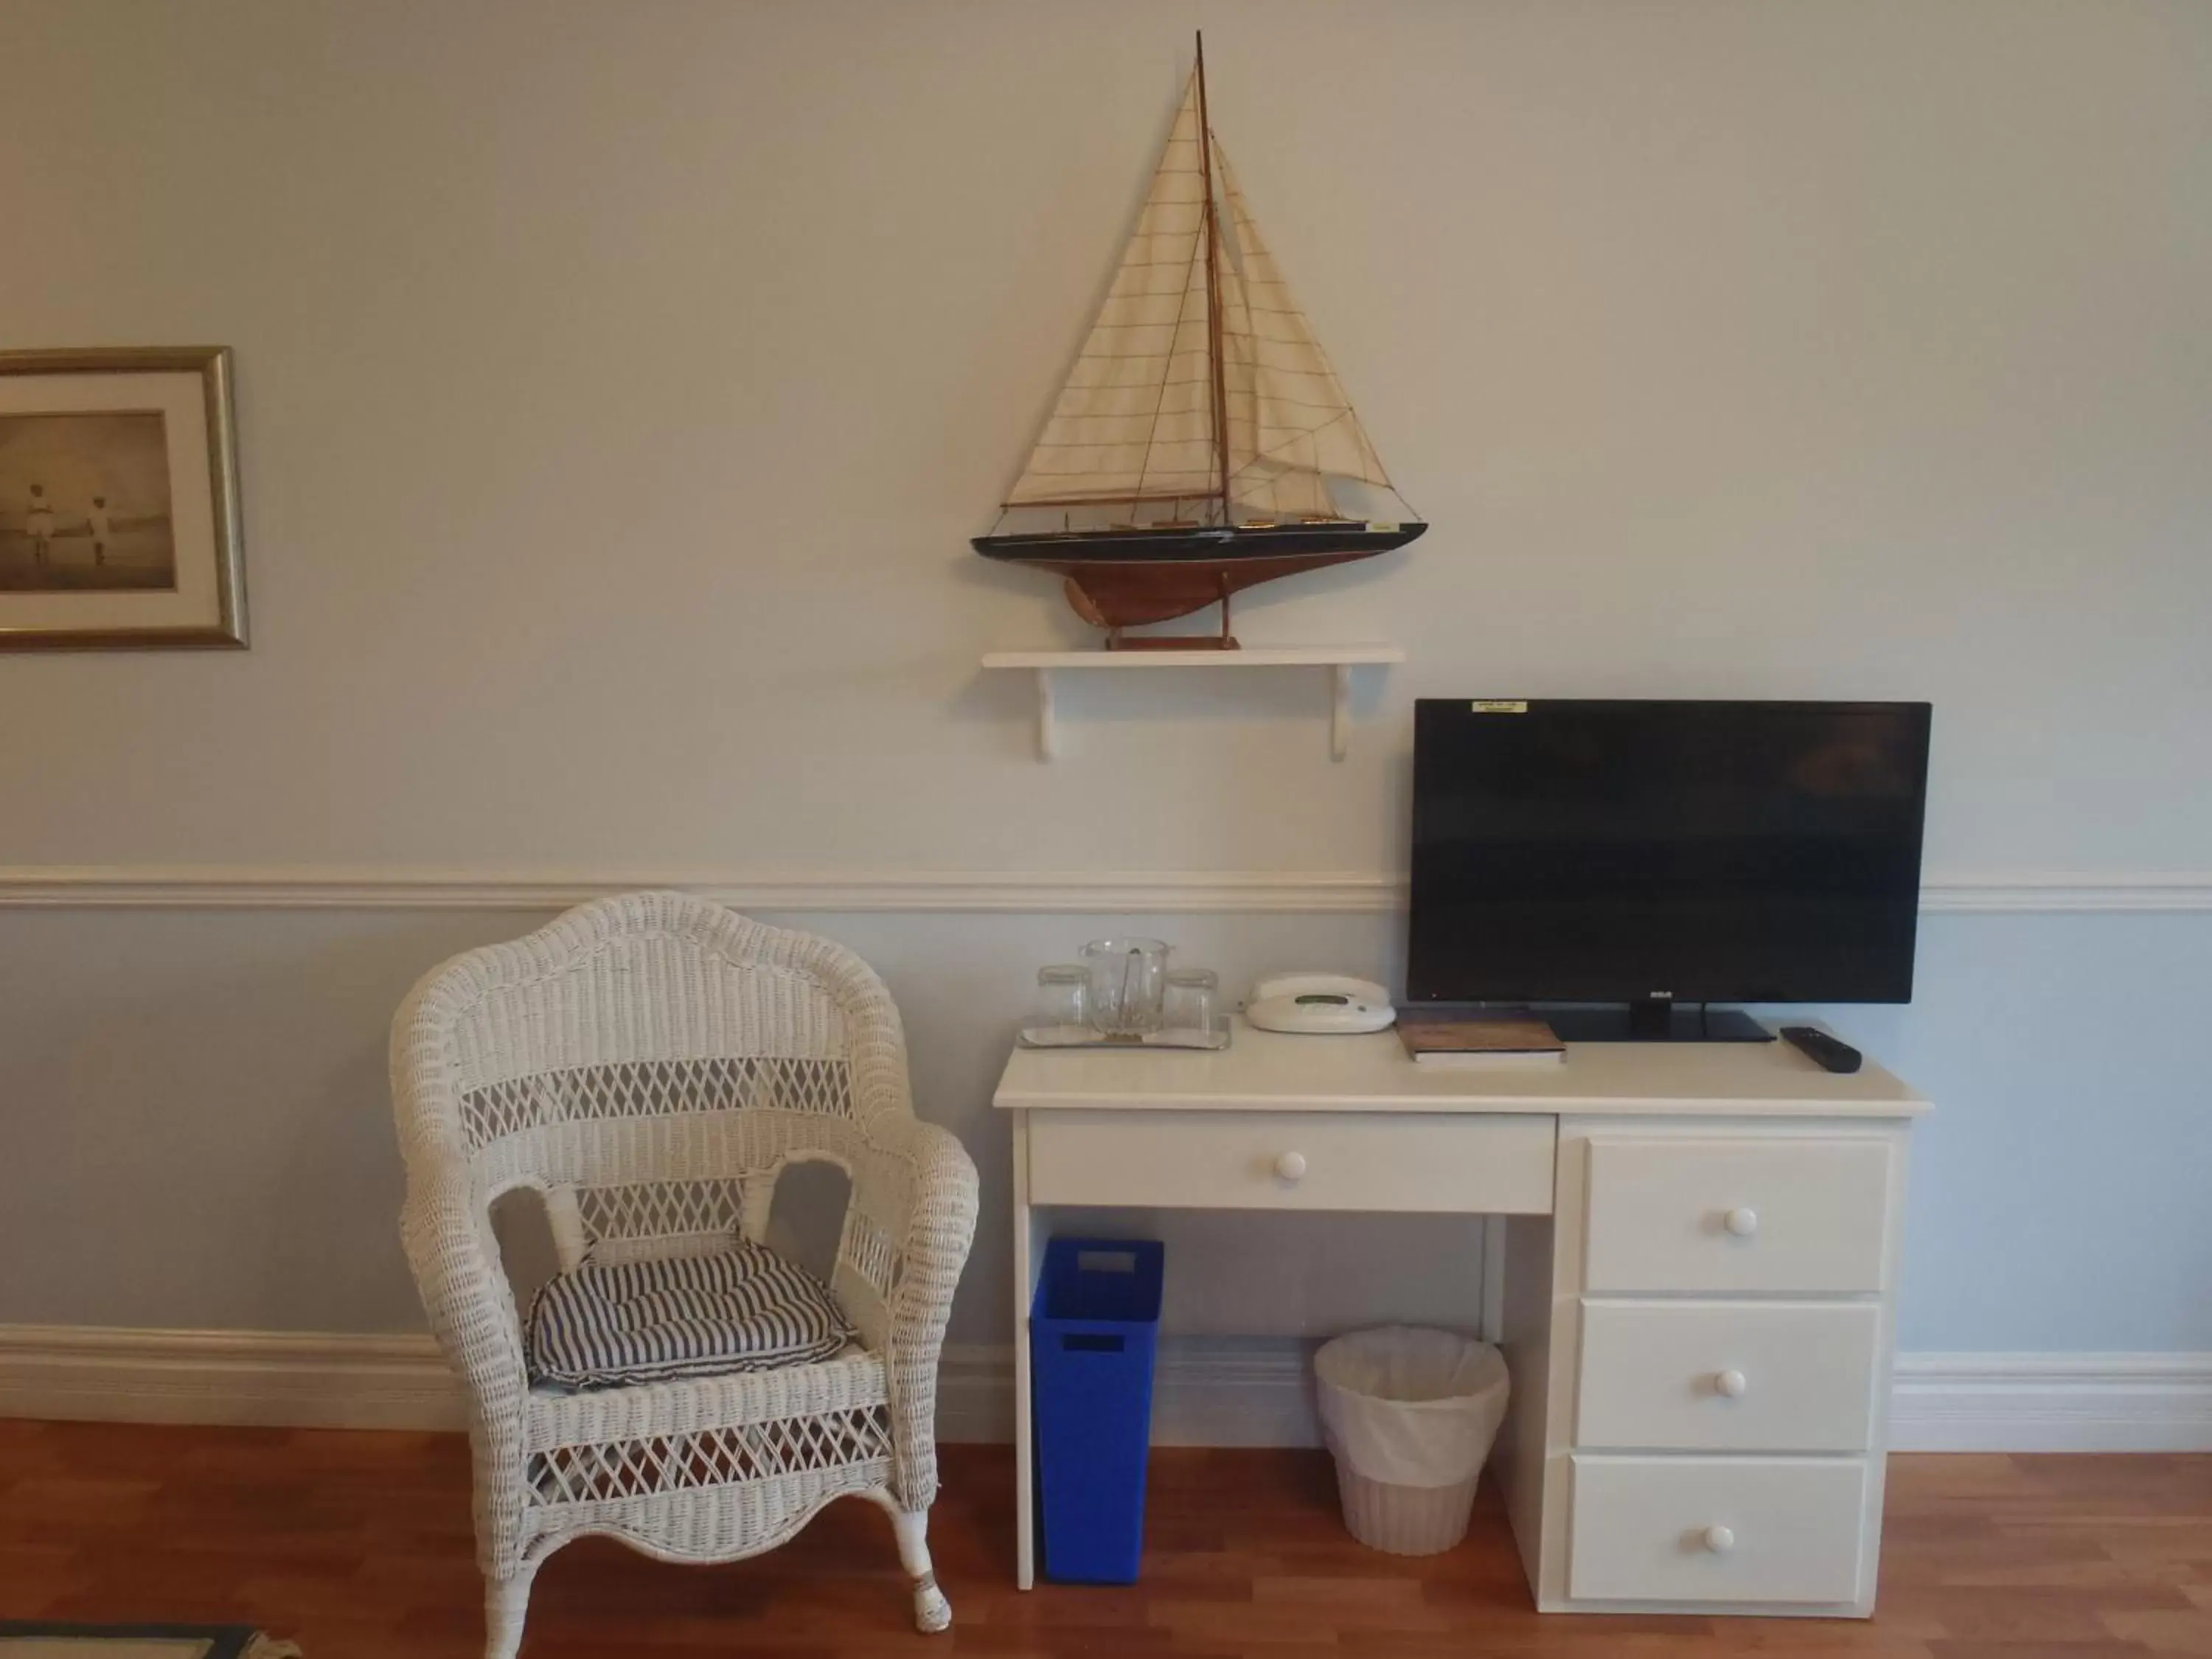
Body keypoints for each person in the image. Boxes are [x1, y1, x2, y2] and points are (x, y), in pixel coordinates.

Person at [24, 484, 54, 566]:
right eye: (36, 490)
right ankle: (37, 557)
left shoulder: (46, 499)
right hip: (35, 521)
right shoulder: (31, 500)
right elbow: (29, 510)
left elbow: (51, 510)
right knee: (36, 539)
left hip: (45, 520)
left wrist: (44, 510)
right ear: (33, 491)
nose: (38, 491)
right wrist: (38, 510)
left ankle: (46, 557)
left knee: (46, 539)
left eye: (39, 490)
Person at [87, 494, 111, 566]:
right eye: (102, 502)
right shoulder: (92, 510)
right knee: (97, 544)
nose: (103, 504)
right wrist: (90, 528)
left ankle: (100, 558)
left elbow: (107, 519)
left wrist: (109, 527)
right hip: (96, 530)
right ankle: (98, 559)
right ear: (97, 503)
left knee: (103, 543)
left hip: (103, 530)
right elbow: (88, 520)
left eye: (104, 502)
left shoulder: (104, 510)